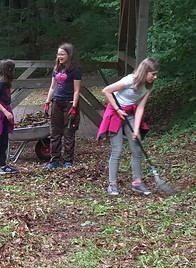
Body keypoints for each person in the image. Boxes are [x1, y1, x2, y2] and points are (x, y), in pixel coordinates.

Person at [97, 58, 159, 196]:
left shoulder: (149, 87)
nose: (155, 77)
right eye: (153, 74)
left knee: (136, 148)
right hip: (115, 113)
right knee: (117, 150)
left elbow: (140, 108)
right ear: (145, 72)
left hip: (130, 114)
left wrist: (136, 129)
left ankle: (137, 182)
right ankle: (112, 184)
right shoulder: (129, 80)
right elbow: (106, 90)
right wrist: (118, 110)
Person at [43, 43, 82, 169]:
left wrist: (74, 107)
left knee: (68, 133)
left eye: (62, 54)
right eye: (58, 54)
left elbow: (77, 90)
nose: (60, 56)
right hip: (57, 103)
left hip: (69, 103)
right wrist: (47, 102)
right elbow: (52, 87)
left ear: (69, 55)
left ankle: (68, 161)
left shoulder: (75, 70)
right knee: (55, 132)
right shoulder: (56, 69)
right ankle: (54, 160)